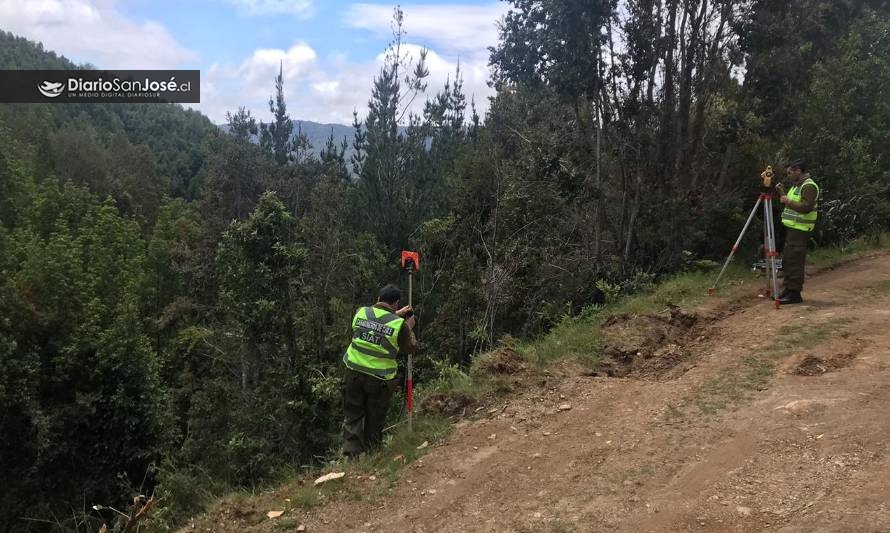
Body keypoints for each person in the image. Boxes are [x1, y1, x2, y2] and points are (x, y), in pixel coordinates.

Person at [341, 284, 416, 457]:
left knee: (353, 415)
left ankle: (352, 457)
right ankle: (373, 455)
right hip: (379, 380)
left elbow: (372, 326)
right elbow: (410, 347)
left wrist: (394, 316)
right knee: (375, 418)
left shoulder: (361, 312)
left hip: (354, 372)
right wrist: (408, 327)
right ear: (396, 304)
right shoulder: (400, 325)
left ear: (378, 299)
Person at [776, 159, 820, 304]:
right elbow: (789, 202)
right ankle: (787, 289)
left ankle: (794, 293)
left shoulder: (809, 186)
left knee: (795, 260)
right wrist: (782, 193)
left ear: (798, 171)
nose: (788, 175)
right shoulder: (796, 186)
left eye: (790, 172)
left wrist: (787, 201)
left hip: (800, 229)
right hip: (793, 228)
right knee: (788, 259)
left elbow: (806, 207)